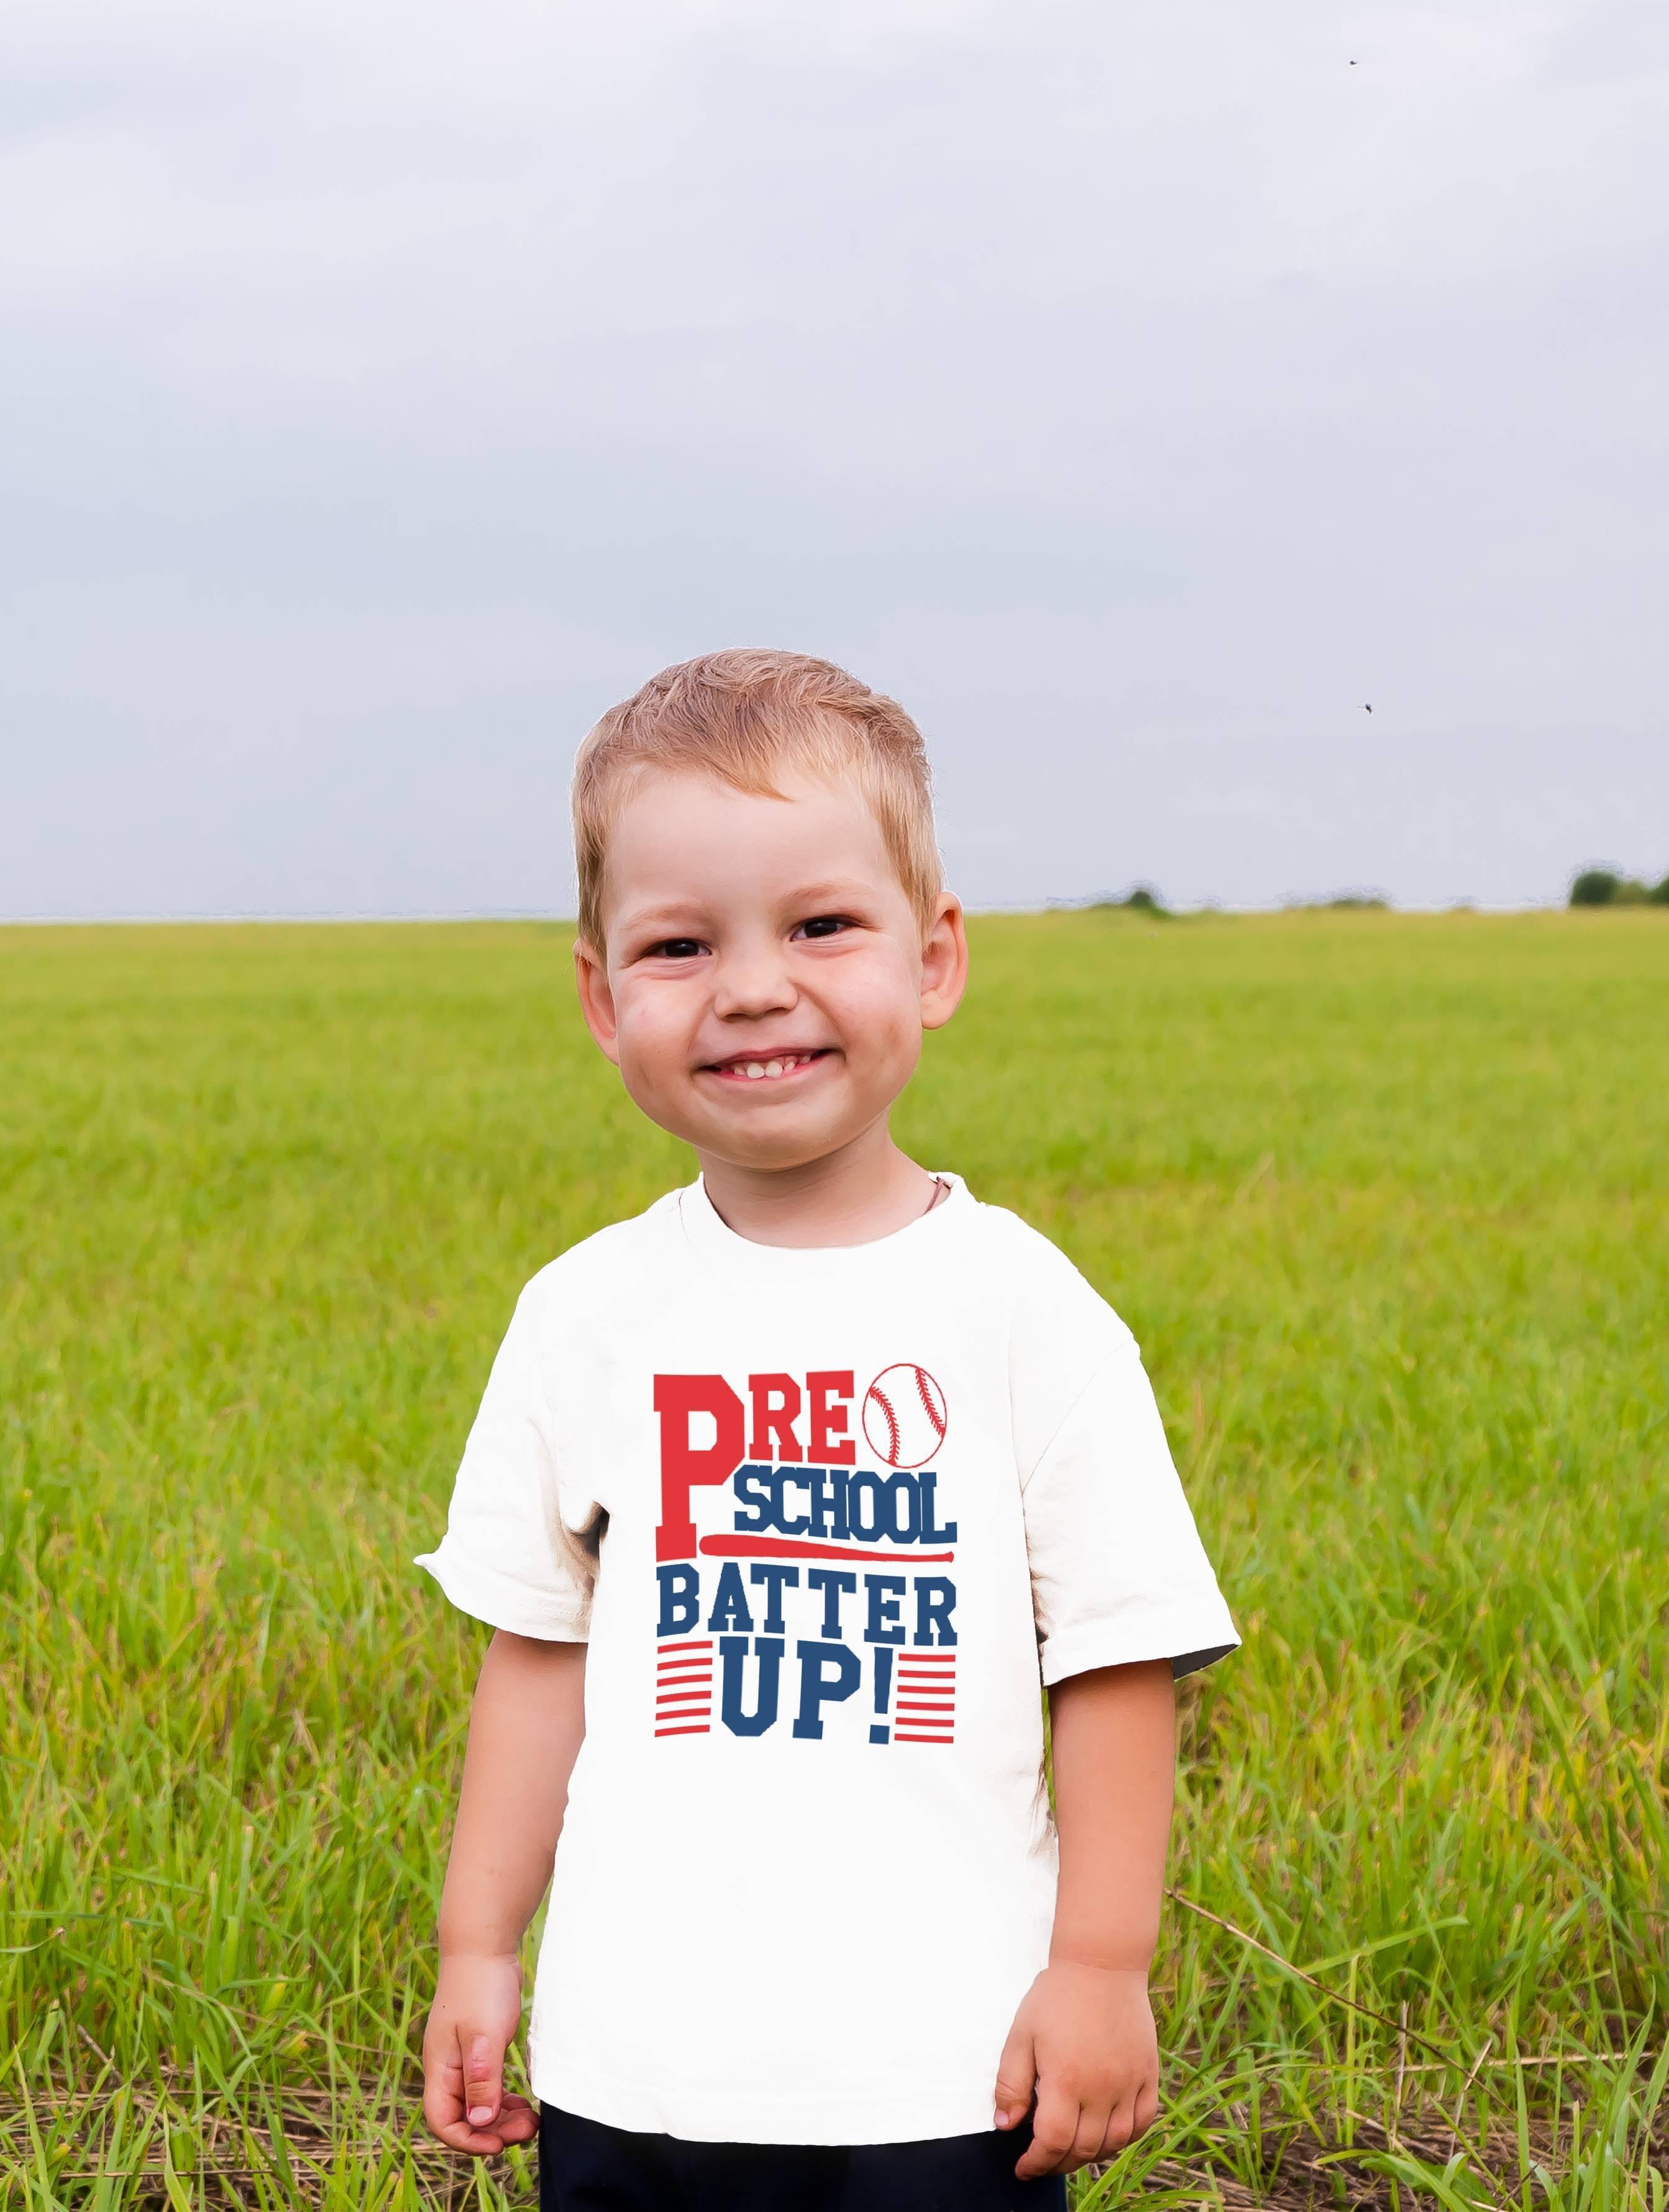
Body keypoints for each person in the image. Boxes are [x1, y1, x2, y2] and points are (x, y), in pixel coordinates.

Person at [414, 649, 1238, 2211]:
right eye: (676, 943)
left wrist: (1103, 1966)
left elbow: (1118, 1658)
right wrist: (478, 1946)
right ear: (601, 997)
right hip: (632, 2063)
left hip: (947, 2069)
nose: (749, 986)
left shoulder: (1021, 1307)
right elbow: (537, 1652)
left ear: (933, 960)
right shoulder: (585, 1314)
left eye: (819, 925)